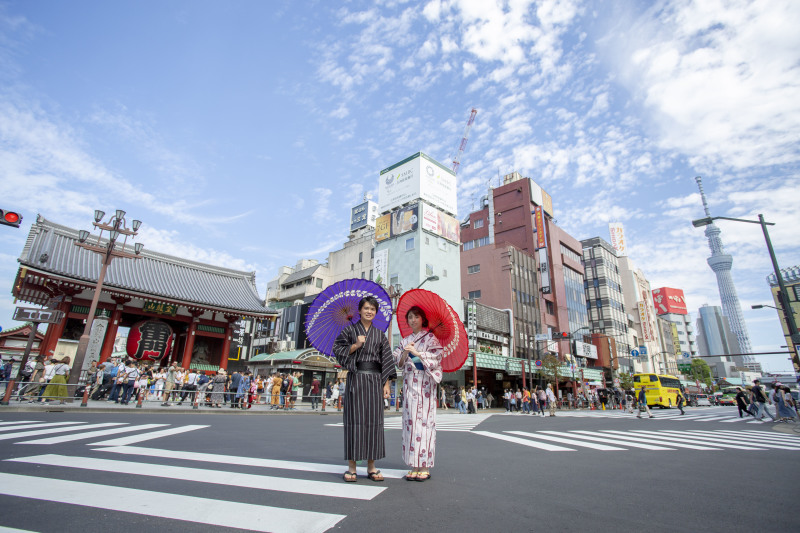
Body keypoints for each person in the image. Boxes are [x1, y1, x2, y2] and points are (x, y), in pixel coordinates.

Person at [332, 296, 396, 483]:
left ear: (376, 313)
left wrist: (386, 385)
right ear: (359, 310)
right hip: (356, 379)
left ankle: (371, 466)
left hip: (375, 380)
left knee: (375, 423)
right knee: (354, 422)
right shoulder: (350, 330)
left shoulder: (380, 334)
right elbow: (338, 349)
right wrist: (356, 345)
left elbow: (386, 360)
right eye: (366, 308)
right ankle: (352, 467)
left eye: (373, 309)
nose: (369, 311)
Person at [393, 305, 443, 481]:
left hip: (425, 385)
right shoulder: (405, 340)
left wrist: (419, 353)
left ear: (423, 319)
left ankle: (425, 466)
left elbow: (437, 358)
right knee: (410, 424)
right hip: (409, 386)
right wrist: (406, 352)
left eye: (417, 317)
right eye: (410, 317)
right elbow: (398, 362)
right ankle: (414, 465)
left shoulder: (431, 338)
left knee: (425, 424)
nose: (413, 320)